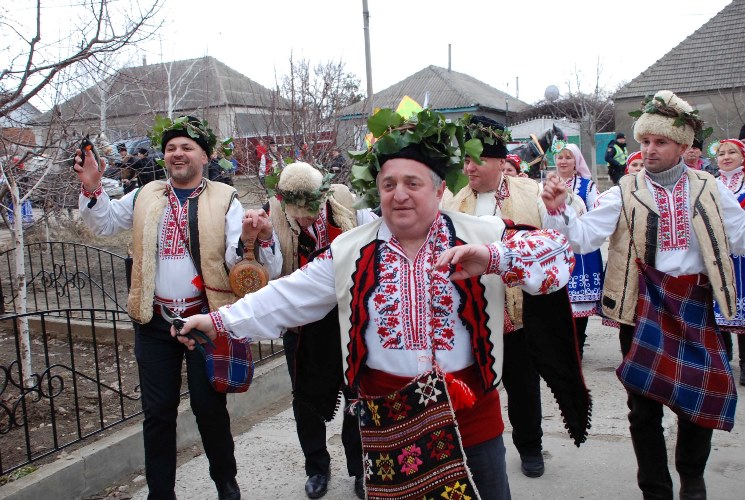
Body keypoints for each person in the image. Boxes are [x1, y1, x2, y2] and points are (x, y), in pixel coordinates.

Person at [174, 108, 577, 500]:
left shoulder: (479, 233)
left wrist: (493, 258)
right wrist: (218, 321)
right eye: (388, 184)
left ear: (439, 190)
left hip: (470, 422)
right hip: (388, 425)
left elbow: (558, 255)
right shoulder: (351, 250)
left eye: (413, 183)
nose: (399, 195)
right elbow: (289, 294)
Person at [542, 90, 745, 500]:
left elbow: (740, 239)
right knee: (643, 408)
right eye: (645, 141)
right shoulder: (623, 190)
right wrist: (561, 210)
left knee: (700, 403)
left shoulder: (710, 188)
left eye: (660, 142)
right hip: (643, 306)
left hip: (697, 304)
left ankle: (693, 479)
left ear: (683, 146)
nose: (649, 150)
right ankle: (655, 490)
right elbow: (581, 239)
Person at [73, 115, 283, 500]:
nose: (177, 154)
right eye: (171, 148)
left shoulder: (226, 199)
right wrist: (92, 188)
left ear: (204, 155)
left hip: (204, 319)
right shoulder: (144, 195)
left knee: (209, 409)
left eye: (186, 147)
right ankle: (161, 494)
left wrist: (261, 239)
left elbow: (249, 265)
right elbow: (102, 223)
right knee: (157, 413)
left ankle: (226, 484)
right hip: (154, 321)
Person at [440, 115, 580, 479]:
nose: (469, 167)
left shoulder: (528, 192)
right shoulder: (453, 201)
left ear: (501, 160)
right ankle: (474, 448)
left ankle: (530, 446)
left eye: (478, 159)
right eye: (466, 159)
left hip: (516, 312)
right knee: (472, 387)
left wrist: (559, 207)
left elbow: (562, 233)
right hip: (471, 314)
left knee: (522, 386)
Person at [259, 161, 376, 499]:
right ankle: (317, 467)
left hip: (349, 318)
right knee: (306, 399)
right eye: (299, 214)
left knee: (357, 393)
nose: (306, 218)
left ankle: (361, 468)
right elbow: (272, 272)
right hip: (303, 324)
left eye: (311, 211)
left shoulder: (344, 201)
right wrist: (265, 239)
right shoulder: (274, 215)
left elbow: (369, 246)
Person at [552, 142, 604, 357]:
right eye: (560, 157)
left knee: (579, 302)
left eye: (568, 157)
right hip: (555, 250)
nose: (563, 161)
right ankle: (562, 346)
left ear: (576, 162)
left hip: (582, 252)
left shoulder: (587, 186)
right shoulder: (548, 184)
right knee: (558, 303)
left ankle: (578, 345)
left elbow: (597, 212)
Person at [713, 138, 745, 384]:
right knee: (718, 308)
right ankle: (723, 359)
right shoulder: (710, 185)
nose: (726, 157)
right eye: (721, 153)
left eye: (732, 152)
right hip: (718, 255)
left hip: (743, 256)